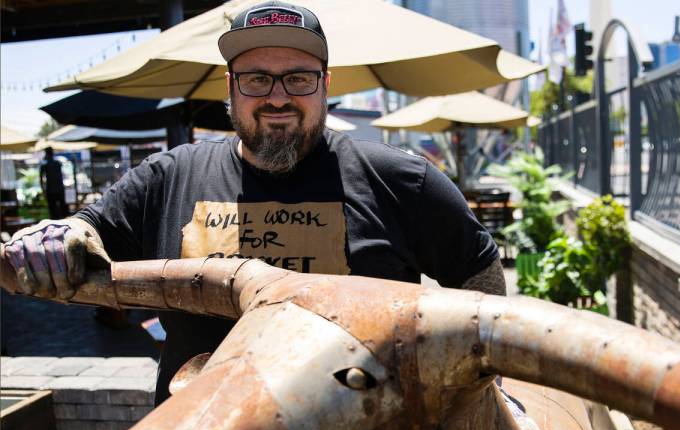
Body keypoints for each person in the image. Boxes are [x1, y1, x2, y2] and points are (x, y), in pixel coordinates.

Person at [1, 1, 506, 405]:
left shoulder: (403, 180)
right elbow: (89, 228)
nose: (279, 96)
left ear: (325, 86)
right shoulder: (170, 175)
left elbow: (478, 271)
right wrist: (60, 235)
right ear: (231, 89)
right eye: (257, 78)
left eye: (299, 78)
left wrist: (469, 386)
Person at [39, 147, 68, 219]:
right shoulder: (57, 163)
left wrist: (43, 189)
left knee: (53, 210)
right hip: (59, 189)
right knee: (62, 209)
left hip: (51, 190)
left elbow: (41, 179)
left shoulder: (45, 165)